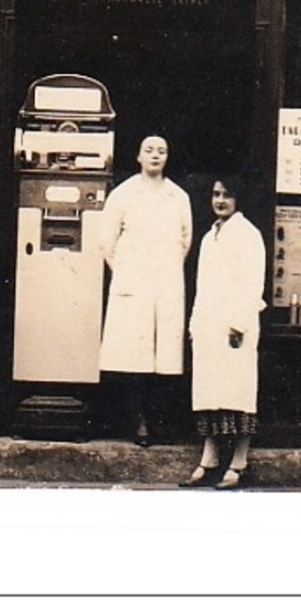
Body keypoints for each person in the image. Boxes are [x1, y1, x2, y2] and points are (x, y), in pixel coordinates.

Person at [96, 135, 193, 446]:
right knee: (133, 357)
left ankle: (159, 421)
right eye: (149, 151)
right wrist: (129, 273)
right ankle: (137, 422)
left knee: (163, 357)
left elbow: (184, 241)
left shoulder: (178, 197)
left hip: (165, 283)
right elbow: (107, 243)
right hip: (133, 285)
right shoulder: (123, 195)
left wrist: (162, 270)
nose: (155, 156)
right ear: (138, 156)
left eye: (162, 151)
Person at [180, 175, 266, 490]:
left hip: (234, 327)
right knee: (209, 392)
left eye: (227, 195)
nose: (220, 200)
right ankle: (210, 458)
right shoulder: (208, 237)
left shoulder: (248, 235)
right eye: (216, 194)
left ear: (237, 199)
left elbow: (252, 283)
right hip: (208, 325)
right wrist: (194, 323)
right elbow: (202, 285)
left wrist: (238, 323)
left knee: (237, 392)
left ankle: (240, 461)